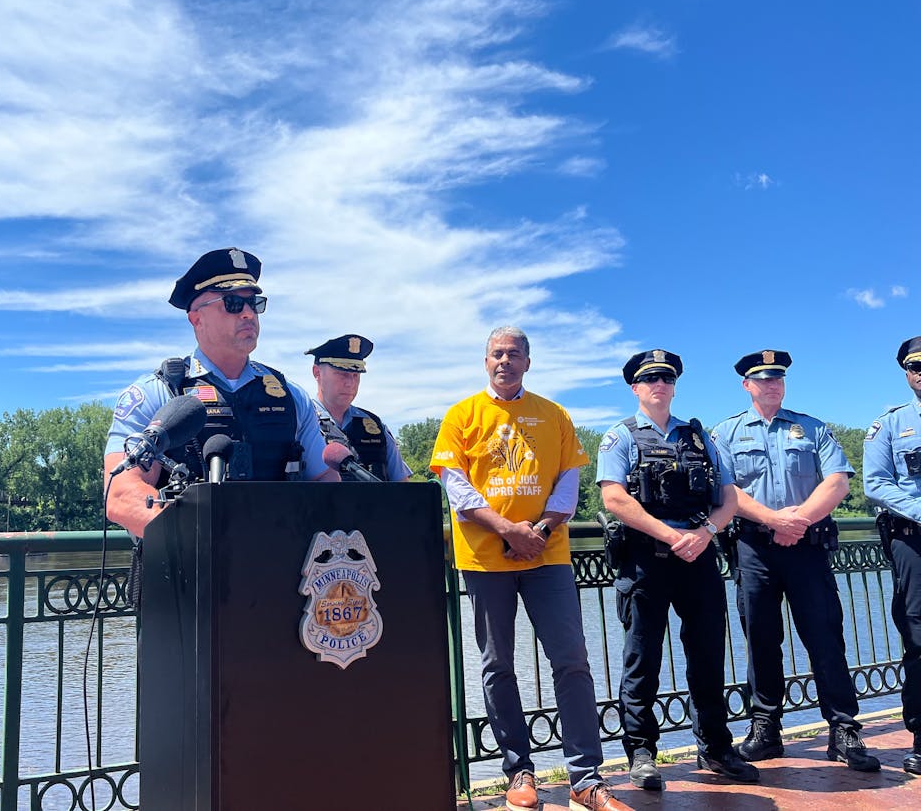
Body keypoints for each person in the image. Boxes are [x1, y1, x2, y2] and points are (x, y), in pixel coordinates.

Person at [431, 327, 631, 811]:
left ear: (528, 361)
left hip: (549, 556)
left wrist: (536, 531)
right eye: (497, 354)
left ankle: (586, 778)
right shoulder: (461, 416)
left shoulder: (554, 414)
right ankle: (519, 771)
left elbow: (568, 483)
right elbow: (457, 490)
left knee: (572, 661)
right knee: (498, 665)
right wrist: (508, 530)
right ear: (485, 362)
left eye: (514, 354)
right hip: (484, 558)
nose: (505, 361)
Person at [597, 349, 758, 789]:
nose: (659, 385)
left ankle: (716, 746)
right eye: (650, 379)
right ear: (636, 387)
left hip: (699, 555)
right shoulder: (621, 438)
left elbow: (728, 498)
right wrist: (672, 537)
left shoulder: (701, 438)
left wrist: (705, 532)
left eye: (666, 378)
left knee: (707, 653)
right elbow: (614, 499)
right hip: (645, 560)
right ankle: (642, 751)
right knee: (642, 657)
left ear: (674, 385)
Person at [712, 350, 879, 771]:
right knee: (762, 641)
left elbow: (838, 482)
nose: (772, 384)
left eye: (778, 378)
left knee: (825, 638)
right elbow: (725, 491)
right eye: (762, 379)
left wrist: (798, 521)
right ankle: (766, 729)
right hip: (754, 549)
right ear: (747, 385)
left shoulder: (812, 428)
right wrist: (772, 520)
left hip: (807, 546)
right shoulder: (725, 434)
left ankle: (843, 730)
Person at [105, 247, 337, 536]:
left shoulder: (291, 396)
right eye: (233, 303)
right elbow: (121, 494)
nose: (249, 314)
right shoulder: (158, 393)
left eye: (254, 303)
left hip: (284, 569)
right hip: (188, 573)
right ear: (196, 319)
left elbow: (326, 479)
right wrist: (200, 539)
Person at [864, 335, 921, 774]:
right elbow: (876, 483)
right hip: (913, 540)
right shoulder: (889, 426)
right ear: (907, 374)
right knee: (919, 638)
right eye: (916, 367)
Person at [304, 333, 412, 481]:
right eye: (342, 374)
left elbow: (402, 486)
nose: (350, 383)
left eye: (355, 375)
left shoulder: (375, 426)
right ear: (317, 373)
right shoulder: (300, 420)